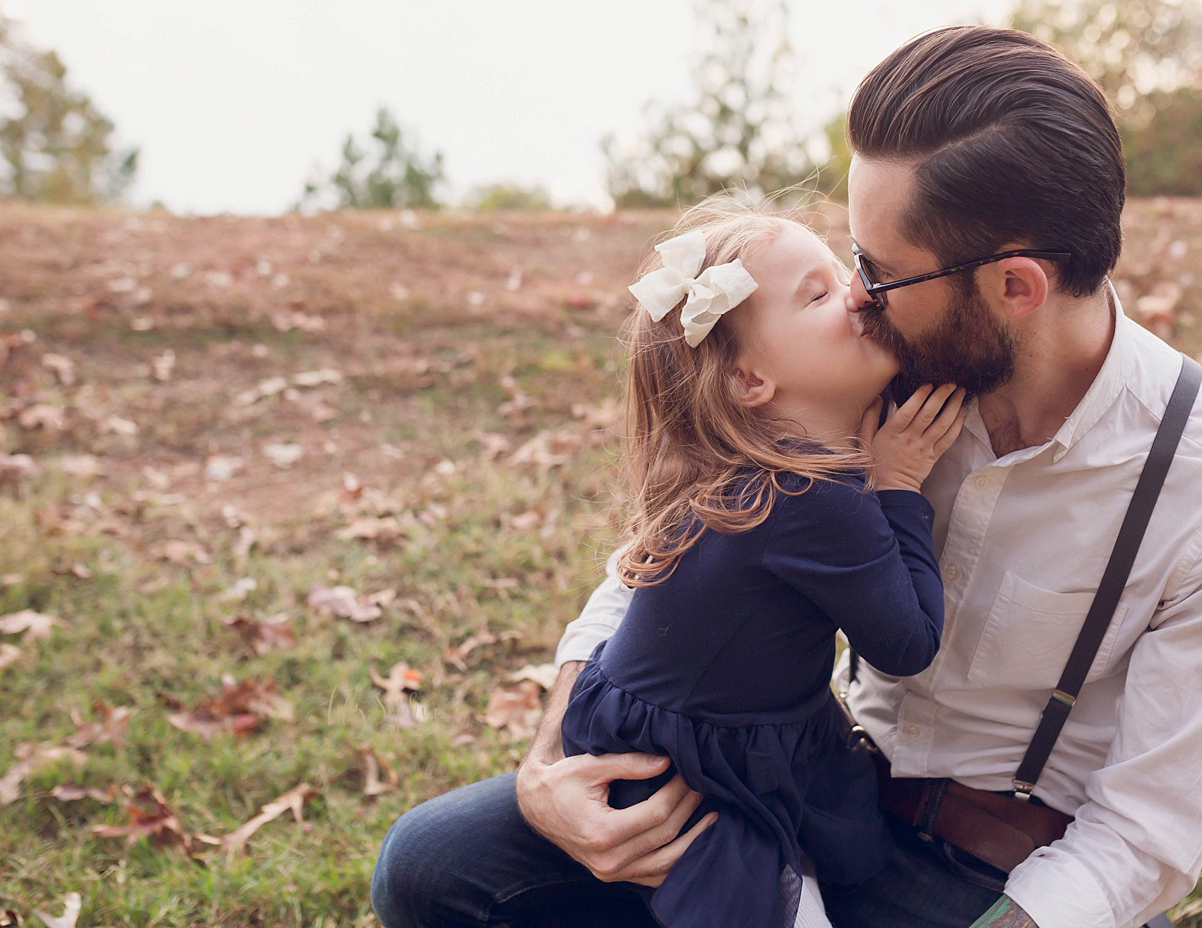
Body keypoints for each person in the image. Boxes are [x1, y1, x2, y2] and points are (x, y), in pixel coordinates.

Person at [373, 25, 1202, 928]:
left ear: (1014, 287)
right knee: (433, 868)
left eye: (880, 269)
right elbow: (659, 564)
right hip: (787, 795)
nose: (858, 295)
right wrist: (548, 769)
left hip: (994, 878)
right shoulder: (854, 370)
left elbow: (1145, 838)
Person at [371, 199, 967, 928]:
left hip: (647, 730)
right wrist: (900, 486)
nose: (858, 291)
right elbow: (908, 644)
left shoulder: (735, 472)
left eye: (845, 270)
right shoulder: (817, 498)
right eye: (819, 293)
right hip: (691, 778)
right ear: (750, 380)